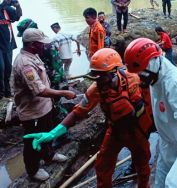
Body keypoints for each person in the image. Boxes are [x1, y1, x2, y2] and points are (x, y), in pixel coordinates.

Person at [23, 48, 153, 188]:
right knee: (102, 166)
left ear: (114, 71)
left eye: (100, 76)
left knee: (142, 165)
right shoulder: (96, 89)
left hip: (137, 131)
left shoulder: (134, 79)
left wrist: (151, 127)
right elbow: (78, 112)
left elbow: (150, 103)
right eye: (95, 77)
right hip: (115, 131)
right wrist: (53, 133)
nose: (97, 81)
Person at [124, 37, 177, 187]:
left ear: (153, 62)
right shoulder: (154, 76)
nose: (139, 79)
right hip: (166, 145)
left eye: (141, 74)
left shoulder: (175, 82)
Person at [12, 28, 76, 181]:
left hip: (44, 107)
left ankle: (48, 155)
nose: (44, 46)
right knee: (31, 142)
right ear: (32, 44)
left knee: (47, 131)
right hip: (32, 111)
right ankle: (32, 170)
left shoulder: (34, 55)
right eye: (41, 44)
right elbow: (39, 90)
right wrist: (64, 93)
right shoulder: (24, 63)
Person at [17, 19, 66, 90]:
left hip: (52, 78)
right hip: (42, 78)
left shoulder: (44, 44)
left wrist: (59, 81)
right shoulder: (32, 43)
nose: (23, 37)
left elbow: (57, 65)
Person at [0, 0, 22, 99]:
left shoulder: (7, 9)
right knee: (1, 68)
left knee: (8, 69)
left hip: (8, 45)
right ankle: (1, 93)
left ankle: (7, 92)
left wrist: (17, 5)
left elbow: (18, 16)